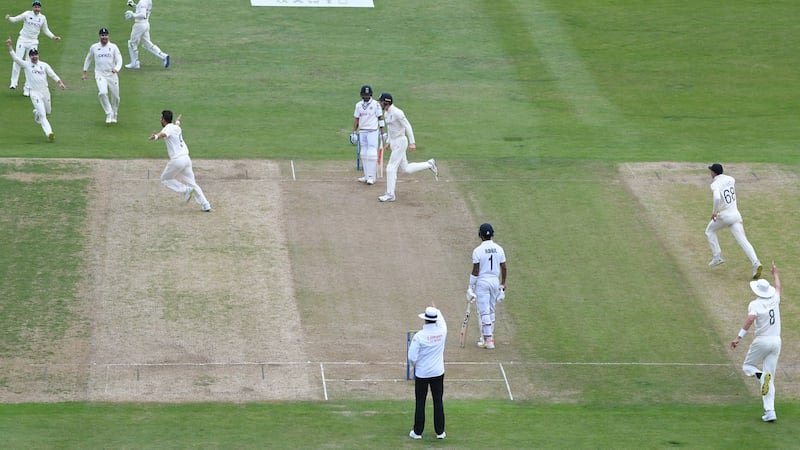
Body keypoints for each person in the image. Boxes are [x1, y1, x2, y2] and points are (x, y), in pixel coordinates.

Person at [730, 263, 782, 422]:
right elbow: (778, 288)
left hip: (762, 341)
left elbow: (751, 319)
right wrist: (775, 274)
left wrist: (739, 337)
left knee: (748, 367)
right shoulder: (775, 298)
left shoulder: (755, 304)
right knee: (769, 378)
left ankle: (760, 377)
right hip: (776, 342)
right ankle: (770, 411)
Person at [376, 93, 438, 202]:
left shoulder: (398, 113)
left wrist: (412, 142)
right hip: (395, 142)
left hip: (401, 142)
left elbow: (408, 126)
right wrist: (389, 142)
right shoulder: (386, 114)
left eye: (381, 102)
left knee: (390, 168)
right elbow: (391, 129)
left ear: (386, 102)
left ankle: (390, 194)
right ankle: (429, 164)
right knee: (406, 169)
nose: (380, 103)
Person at [705, 163, 762, 279]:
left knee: (709, 231)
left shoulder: (714, 184)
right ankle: (756, 263)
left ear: (714, 173)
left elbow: (717, 198)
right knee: (743, 241)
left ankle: (717, 257)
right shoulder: (731, 179)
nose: (710, 173)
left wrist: (714, 212)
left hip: (725, 216)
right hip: (736, 215)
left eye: (711, 171)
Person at [149, 110, 211, 212]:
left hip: (177, 160)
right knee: (192, 183)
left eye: (161, 118)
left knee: (165, 179)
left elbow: (163, 134)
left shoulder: (167, 129)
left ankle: (185, 189)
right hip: (186, 159)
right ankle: (206, 204)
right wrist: (178, 121)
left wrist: (155, 137)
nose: (160, 119)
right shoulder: (176, 127)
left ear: (163, 120)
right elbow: (173, 128)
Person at [5, 37, 64, 141]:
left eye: (35, 55)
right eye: (32, 55)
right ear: (29, 57)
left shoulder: (44, 65)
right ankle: (49, 133)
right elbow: (16, 59)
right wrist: (10, 47)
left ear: (38, 55)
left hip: (45, 91)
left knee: (47, 112)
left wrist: (59, 82)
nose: (34, 57)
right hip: (34, 93)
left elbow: (52, 74)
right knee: (43, 115)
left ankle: (35, 113)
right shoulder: (27, 65)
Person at [407, 305, 447, 440]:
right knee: (438, 401)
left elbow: (411, 357)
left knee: (420, 402)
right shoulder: (442, 331)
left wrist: (415, 366)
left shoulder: (419, 336)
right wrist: (438, 310)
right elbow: (442, 322)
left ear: (425, 320)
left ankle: (417, 432)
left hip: (423, 374)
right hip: (438, 373)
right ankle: (440, 432)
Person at [5, 0, 61, 93]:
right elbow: (15, 19)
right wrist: (9, 18)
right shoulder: (27, 14)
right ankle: (13, 83)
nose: (37, 8)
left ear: (40, 8)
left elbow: (46, 30)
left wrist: (53, 37)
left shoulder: (42, 18)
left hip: (33, 42)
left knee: (30, 63)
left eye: (38, 7)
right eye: (35, 7)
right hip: (22, 39)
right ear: (33, 7)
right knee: (17, 59)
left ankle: (27, 88)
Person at [467, 223, 507, 349]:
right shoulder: (499, 249)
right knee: (491, 309)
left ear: (480, 235)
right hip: (495, 281)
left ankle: (488, 340)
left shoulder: (478, 251)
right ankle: (487, 337)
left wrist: (470, 286)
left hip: (482, 282)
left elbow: (476, 270)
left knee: (484, 311)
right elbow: (504, 267)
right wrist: (503, 284)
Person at [82, 28, 123, 124]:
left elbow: (119, 59)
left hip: (112, 75)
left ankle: (115, 114)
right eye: (102, 35)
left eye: (106, 35)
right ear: (99, 36)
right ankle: (109, 113)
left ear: (108, 36)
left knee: (116, 97)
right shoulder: (94, 47)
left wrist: (116, 68)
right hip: (100, 74)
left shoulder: (113, 47)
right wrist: (84, 72)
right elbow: (88, 58)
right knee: (102, 93)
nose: (104, 37)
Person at [350, 85, 384, 185]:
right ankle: (366, 175)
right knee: (363, 153)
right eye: (364, 95)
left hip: (373, 131)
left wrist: (382, 132)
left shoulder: (376, 104)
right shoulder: (358, 105)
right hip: (363, 131)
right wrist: (354, 132)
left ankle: (371, 177)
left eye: (368, 95)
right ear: (361, 95)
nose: (366, 96)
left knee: (372, 153)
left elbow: (380, 118)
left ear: (371, 95)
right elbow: (356, 119)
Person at [123, 0, 170, 69]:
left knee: (132, 43)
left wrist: (133, 15)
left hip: (139, 25)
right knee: (147, 44)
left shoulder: (142, 2)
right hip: (146, 24)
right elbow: (143, 9)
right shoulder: (148, 1)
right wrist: (134, 5)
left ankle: (135, 63)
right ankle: (164, 56)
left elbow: (142, 14)